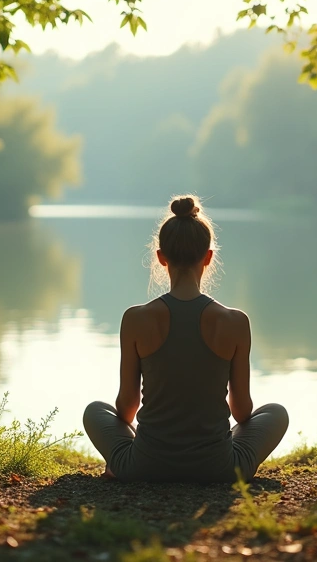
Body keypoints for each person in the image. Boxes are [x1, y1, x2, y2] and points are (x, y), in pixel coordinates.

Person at [83, 195, 288, 483]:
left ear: (160, 257)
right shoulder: (236, 322)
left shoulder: (135, 319)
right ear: (208, 257)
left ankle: (123, 464)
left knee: (95, 411)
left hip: (144, 467)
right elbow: (242, 413)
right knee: (276, 413)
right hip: (219, 469)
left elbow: (126, 410)